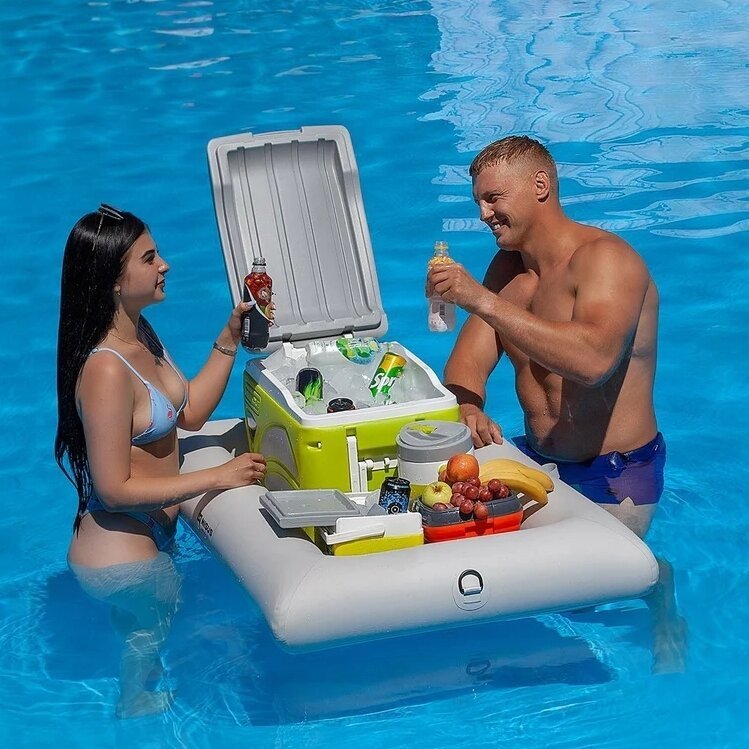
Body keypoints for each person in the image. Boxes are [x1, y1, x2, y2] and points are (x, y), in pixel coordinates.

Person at [427, 136, 685, 671]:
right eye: (478, 201)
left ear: (540, 186)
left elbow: (593, 362)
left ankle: (656, 581)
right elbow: (465, 366)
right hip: (536, 457)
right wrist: (468, 407)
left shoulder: (607, 260)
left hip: (614, 471)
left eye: (493, 198)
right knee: (456, 549)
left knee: (576, 599)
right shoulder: (508, 272)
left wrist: (479, 299)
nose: (483, 214)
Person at [55, 204, 267, 717]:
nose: (164, 265)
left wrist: (229, 338)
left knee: (155, 630)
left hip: (146, 539)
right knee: (149, 652)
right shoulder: (106, 369)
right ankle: (135, 709)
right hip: (119, 552)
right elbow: (112, 489)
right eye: (149, 258)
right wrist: (217, 476)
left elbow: (189, 413)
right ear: (113, 280)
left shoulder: (141, 334)